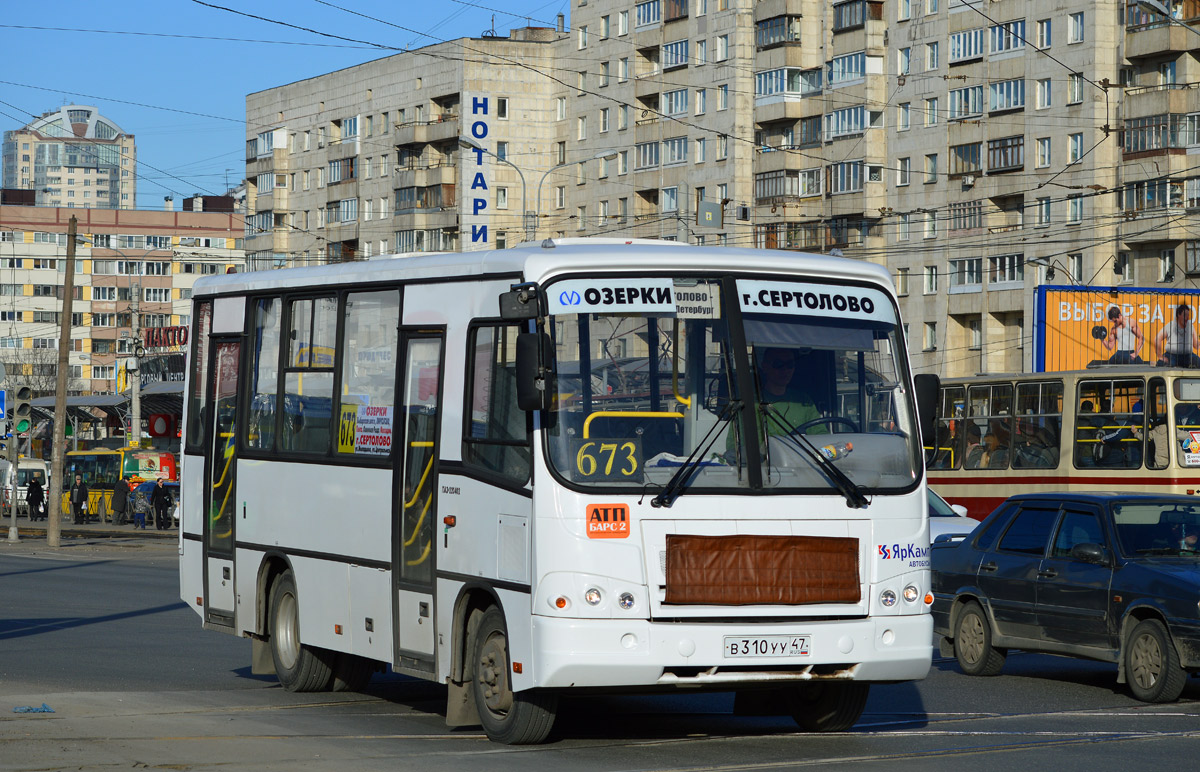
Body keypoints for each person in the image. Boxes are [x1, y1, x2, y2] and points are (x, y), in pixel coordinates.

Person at [1155, 303, 1200, 368]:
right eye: (1185, 315)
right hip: (1171, 355)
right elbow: (1157, 339)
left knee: (1198, 362)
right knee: (1161, 364)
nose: (1187, 318)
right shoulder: (1170, 325)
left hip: (1188, 356)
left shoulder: (1191, 326)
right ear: (1178, 315)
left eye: (1188, 316)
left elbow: (1196, 345)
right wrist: (1160, 356)